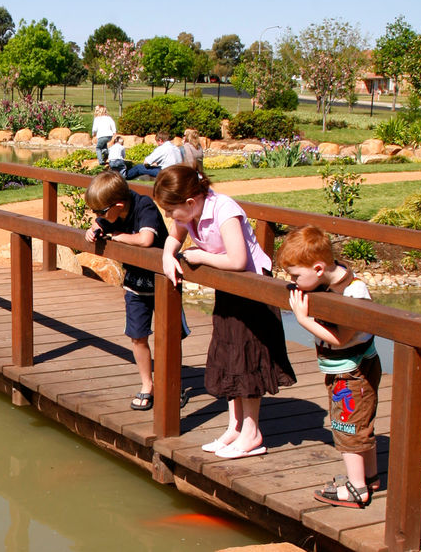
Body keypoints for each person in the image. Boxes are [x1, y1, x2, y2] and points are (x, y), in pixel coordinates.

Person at [153, 165, 296, 459]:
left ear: (190, 201)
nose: (169, 216)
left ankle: (252, 432)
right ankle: (235, 426)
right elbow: (174, 237)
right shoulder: (191, 210)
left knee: (247, 356)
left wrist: (201, 256)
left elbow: (238, 260)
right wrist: (168, 254)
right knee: (228, 352)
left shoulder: (224, 210)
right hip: (230, 290)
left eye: (171, 210)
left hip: (253, 291)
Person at [280, 225, 381, 509]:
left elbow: (341, 337)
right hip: (348, 367)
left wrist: (303, 320)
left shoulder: (353, 293)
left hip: (352, 371)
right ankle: (369, 476)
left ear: (319, 268)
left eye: (297, 276)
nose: (294, 282)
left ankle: (357, 488)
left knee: (346, 425)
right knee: (360, 424)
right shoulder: (331, 280)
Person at [84, 171, 188, 411]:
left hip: (164, 282)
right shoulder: (111, 213)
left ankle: (174, 382)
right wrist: (94, 228)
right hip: (135, 284)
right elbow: (98, 223)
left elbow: (145, 240)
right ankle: (147, 384)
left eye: (100, 212)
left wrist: (117, 236)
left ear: (118, 205)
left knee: (169, 338)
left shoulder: (144, 206)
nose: (98, 216)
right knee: (137, 336)